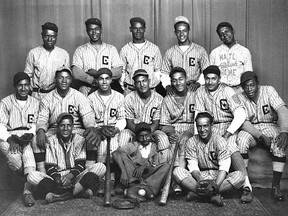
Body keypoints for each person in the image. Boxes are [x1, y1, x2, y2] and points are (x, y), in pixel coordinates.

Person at [195, 65, 253, 203]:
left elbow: (240, 114)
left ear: (219, 79)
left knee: (230, 146)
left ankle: (247, 186)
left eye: (213, 79)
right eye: (207, 79)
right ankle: (207, 187)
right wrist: (198, 135)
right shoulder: (200, 91)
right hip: (210, 127)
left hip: (228, 125)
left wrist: (227, 134)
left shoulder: (227, 90)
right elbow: (197, 115)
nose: (210, 82)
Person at [32, 67, 100, 174]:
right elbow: (42, 119)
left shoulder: (79, 96)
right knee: (36, 140)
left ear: (71, 80)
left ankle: (87, 173)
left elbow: (87, 115)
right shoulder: (47, 98)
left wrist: (91, 127)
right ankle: (43, 174)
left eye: (67, 78)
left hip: (75, 129)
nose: (64, 81)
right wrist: (40, 131)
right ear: (55, 79)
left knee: (92, 136)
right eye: (61, 78)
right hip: (54, 130)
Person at [27, 113, 106, 203]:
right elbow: (50, 167)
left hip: (76, 178)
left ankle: (62, 195)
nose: (65, 128)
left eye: (68, 125)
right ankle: (78, 192)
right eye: (62, 125)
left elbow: (80, 164)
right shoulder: (51, 140)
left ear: (72, 127)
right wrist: (58, 179)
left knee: (101, 167)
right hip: (56, 179)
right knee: (31, 176)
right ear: (57, 127)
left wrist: (69, 176)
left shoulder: (79, 139)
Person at [173, 112, 245, 206]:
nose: (202, 130)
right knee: (177, 171)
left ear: (212, 125)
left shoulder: (220, 141)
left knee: (240, 176)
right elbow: (193, 166)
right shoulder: (191, 142)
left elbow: (224, 168)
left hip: (218, 176)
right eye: (199, 126)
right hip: (200, 175)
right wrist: (200, 181)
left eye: (205, 126)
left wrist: (216, 185)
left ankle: (198, 195)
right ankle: (212, 196)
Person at [237, 71, 288, 201]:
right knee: (241, 141)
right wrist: (260, 136)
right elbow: (243, 122)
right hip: (250, 127)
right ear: (242, 87)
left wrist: (284, 131)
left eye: (252, 85)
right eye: (246, 86)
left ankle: (275, 186)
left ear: (257, 84)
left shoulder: (268, 90)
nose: (249, 89)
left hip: (269, 125)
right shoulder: (239, 96)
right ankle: (245, 185)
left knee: (280, 144)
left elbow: (282, 109)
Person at [0, 72, 39, 207]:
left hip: (26, 137)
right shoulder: (5, 102)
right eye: (20, 85)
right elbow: (0, 125)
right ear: (15, 86)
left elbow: (36, 124)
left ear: (30, 86)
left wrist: (30, 134)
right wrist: (10, 140)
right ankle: (27, 180)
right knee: (16, 161)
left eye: (26, 85)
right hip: (9, 137)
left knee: (29, 158)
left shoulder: (35, 102)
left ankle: (27, 192)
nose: (23, 88)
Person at [87, 68, 126, 195]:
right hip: (99, 130)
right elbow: (89, 120)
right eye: (101, 79)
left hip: (113, 130)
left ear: (111, 80)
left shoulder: (119, 96)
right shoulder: (91, 97)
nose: (104, 82)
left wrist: (115, 129)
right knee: (99, 145)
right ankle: (102, 180)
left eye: (107, 78)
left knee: (115, 146)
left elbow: (122, 119)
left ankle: (113, 180)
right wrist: (99, 129)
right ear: (97, 81)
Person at [119, 69, 170, 163]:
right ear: (134, 84)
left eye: (144, 81)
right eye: (138, 82)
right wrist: (141, 134)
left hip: (152, 130)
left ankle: (161, 169)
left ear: (149, 81)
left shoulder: (159, 98)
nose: (142, 85)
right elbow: (129, 123)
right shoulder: (129, 98)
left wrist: (146, 135)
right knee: (123, 136)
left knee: (163, 138)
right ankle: (126, 170)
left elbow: (156, 123)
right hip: (134, 130)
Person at [160, 67, 195, 194]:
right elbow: (164, 123)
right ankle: (176, 179)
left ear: (186, 80)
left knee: (186, 141)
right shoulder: (167, 99)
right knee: (174, 142)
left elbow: (202, 118)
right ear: (171, 83)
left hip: (193, 128)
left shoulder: (196, 95)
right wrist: (171, 133)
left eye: (181, 79)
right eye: (174, 80)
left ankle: (182, 179)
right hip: (174, 129)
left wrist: (190, 132)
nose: (178, 83)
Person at [112, 122, 171, 197]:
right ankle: (139, 188)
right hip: (134, 176)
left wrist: (144, 167)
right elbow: (115, 153)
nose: (145, 139)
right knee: (122, 154)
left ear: (150, 134)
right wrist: (123, 172)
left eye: (147, 135)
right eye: (141, 136)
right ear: (137, 137)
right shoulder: (134, 145)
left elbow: (154, 167)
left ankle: (143, 188)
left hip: (149, 177)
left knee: (167, 166)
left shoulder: (155, 146)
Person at [72, 18, 124, 96]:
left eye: (96, 29)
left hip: (107, 88)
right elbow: (76, 73)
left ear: (101, 29)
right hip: (87, 88)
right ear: (87, 31)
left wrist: (96, 74)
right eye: (90, 29)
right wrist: (92, 80)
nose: (94, 32)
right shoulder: (80, 50)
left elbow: (118, 72)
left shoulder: (111, 49)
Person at [161, 16, 209, 95]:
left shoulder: (200, 50)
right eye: (178, 31)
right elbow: (164, 73)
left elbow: (206, 72)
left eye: (184, 31)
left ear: (189, 31)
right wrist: (167, 86)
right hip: (176, 89)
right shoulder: (170, 52)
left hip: (195, 89)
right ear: (175, 32)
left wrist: (198, 84)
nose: (181, 34)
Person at [24, 22, 70, 100]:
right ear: (42, 35)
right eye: (47, 36)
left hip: (56, 95)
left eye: (53, 36)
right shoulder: (33, 53)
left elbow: (67, 77)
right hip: (37, 95)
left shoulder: (63, 54)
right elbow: (27, 76)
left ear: (56, 36)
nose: (49, 39)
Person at [120, 17, 164, 96]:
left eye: (141, 28)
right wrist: (125, 86)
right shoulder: (125, 49)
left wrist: (153, 84)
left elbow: (158, 71)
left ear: (144, 29)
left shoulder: (154, 48)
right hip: (131, 90)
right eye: (135, 28)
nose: (138, 31)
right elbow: (122, 72)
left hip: (150, 90)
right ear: (130, 29)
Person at [210, 22, 253, 92]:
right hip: (221, 90)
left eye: (227, 31)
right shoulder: (215, 53)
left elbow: (249, 74)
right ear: (220, 38)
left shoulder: (244, 51)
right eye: (221, 34)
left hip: (240, 89)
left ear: (233, 31)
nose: (225, 35)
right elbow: (211, 75)